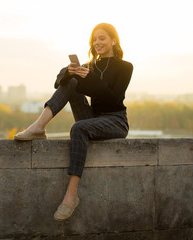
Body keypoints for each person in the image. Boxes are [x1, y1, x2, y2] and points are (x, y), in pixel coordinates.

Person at [14, 23, 133, 221]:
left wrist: (91, 78)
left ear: (113, 40)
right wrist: (69, 72)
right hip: (93, 118)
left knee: (78, 128)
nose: (97, 43)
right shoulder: (89, 66)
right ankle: (38, 127)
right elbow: (58, 83)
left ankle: (71, 195)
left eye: (102, 38)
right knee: (71, 82)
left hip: (115, 120)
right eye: (94, 39)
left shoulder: (125, 67)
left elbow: (112, 98)